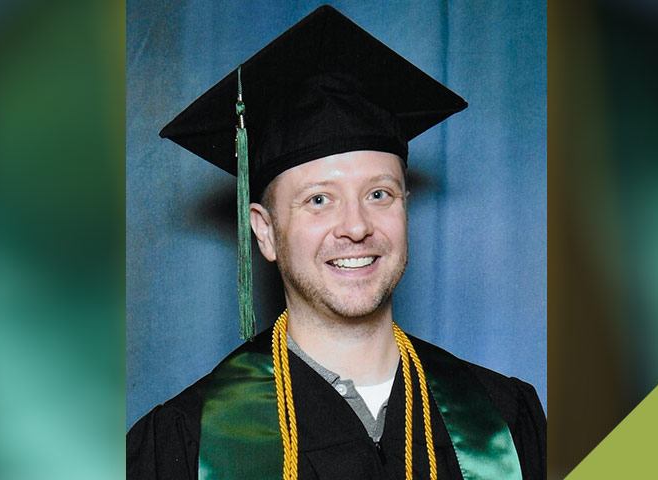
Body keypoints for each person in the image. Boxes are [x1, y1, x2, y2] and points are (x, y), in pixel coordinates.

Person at [127, 6, 545, 479]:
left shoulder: (502, 419)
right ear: (264, 230)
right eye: (319, 199)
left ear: (405, 207)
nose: (356, 226)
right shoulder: (188, 442)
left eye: (378, 194)